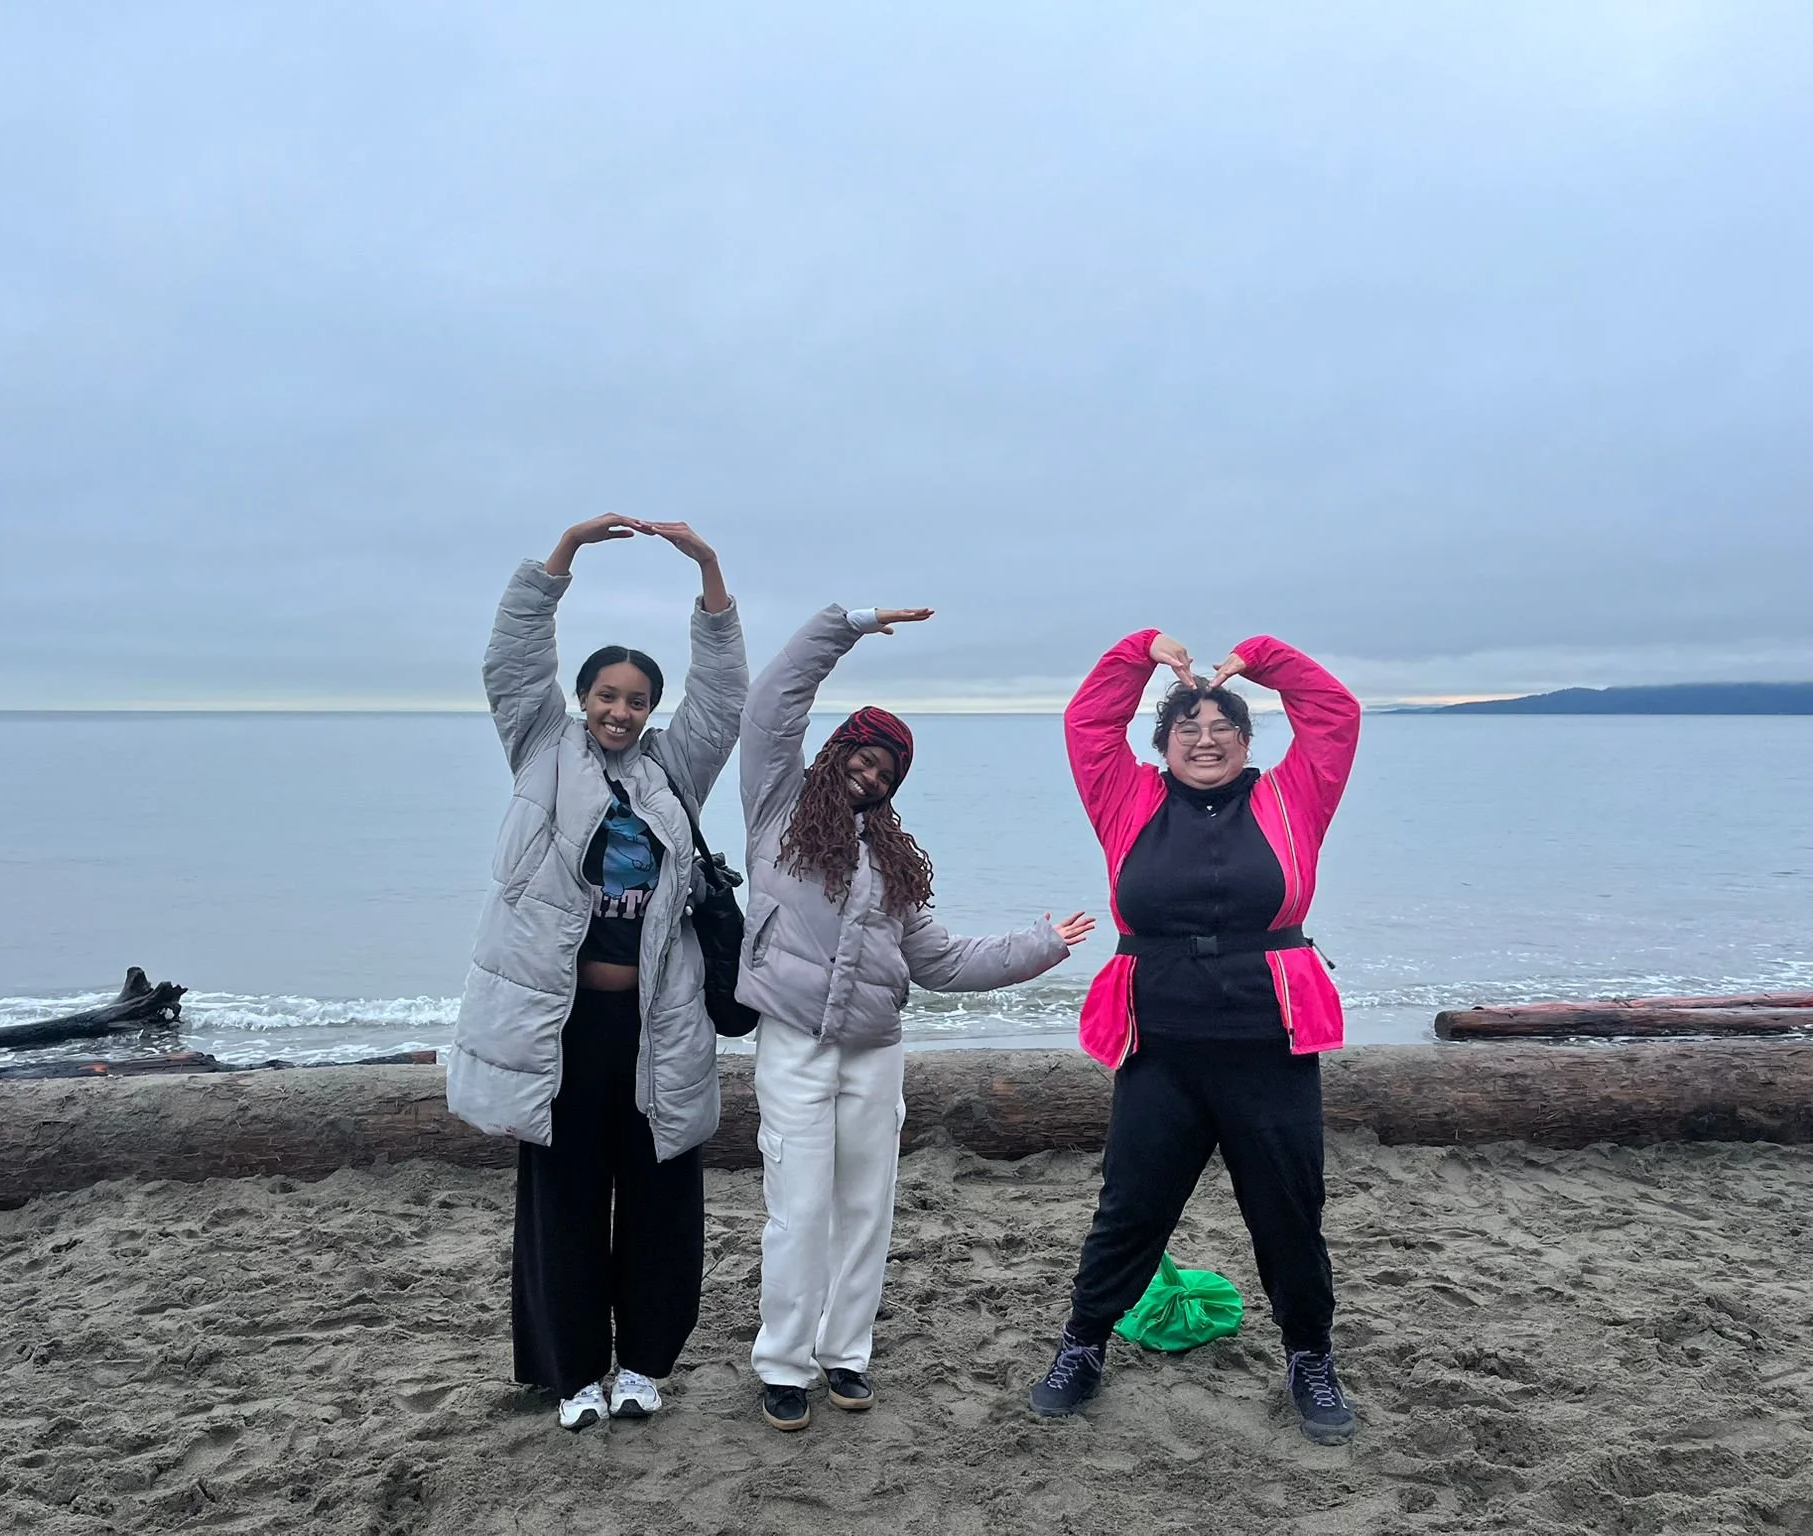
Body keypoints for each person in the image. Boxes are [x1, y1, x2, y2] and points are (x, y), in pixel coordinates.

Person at [738, 602, 1094, 1432]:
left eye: (887, 773)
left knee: (867, 1209)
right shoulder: (775, 805)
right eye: (864, 759)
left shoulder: (891, 859)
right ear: (837, 754)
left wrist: (1044, 943)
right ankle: (784, 1364)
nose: (871, 778)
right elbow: (772, 703)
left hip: (874, 1051)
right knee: (798, 1210)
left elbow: (942, 964)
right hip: (792, 1041)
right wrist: (846, 625)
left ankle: (846, 1356)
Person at [446, 514, 747, 1432]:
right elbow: (511, 662)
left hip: (655, 1025)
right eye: (607, 696)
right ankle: (575, 1373)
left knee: (661, 1194)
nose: (621, 711)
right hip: (558, 1028)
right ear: (582, 698)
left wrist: (708, 569)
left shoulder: (674, 773)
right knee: (564, 1200)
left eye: (637, 700)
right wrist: (562, 556)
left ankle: (644, 1367)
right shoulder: (543, 748)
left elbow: (724, 698)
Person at [1027, 628, 1362, 1444]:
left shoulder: (1294, 796)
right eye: (1187, 729)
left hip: (1269, 1042)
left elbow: (1335, 712)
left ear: (1248, 742)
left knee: (1288, 1211)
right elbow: (1086, 723)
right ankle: (1083, 1343)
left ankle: (1310, 1356)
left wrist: (1262, 656)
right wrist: (1143, 651)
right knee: (1130, 1208)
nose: (1205, 740)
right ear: (1164, 745)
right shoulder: (1126, 796)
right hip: (1161, 1044)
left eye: (1222, 729)